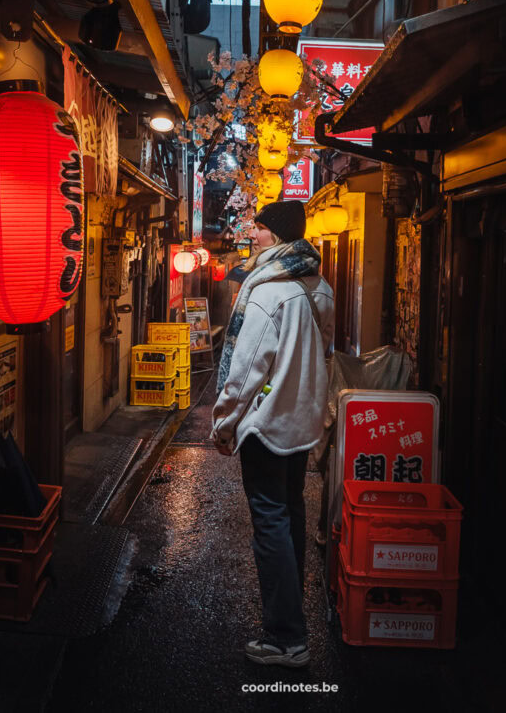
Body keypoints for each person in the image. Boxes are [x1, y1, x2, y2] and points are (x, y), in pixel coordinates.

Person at [211, 200, 334, 668]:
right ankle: (292, 623)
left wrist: (223, 423)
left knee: (270, 525)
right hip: (300, 423)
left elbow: (245, 371)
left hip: (266, 424)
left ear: (278, 234)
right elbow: (323, 351)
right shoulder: (318, 286)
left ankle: (286, 637)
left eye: (260, 227)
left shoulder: (266, 292)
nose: (253, 233)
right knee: (289, 516)